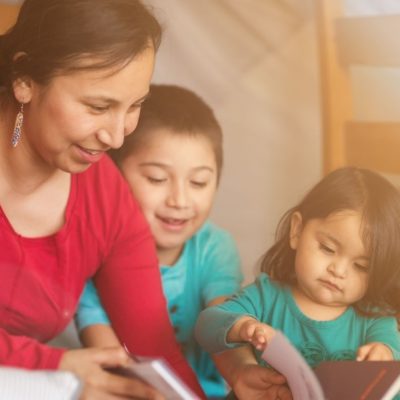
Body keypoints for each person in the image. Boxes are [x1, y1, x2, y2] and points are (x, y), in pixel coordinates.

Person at [0, 0, 205, 398]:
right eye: (98, 106)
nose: (116, 137)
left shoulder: (105, 195)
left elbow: (154, 348)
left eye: (135, 106)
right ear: (25, 78)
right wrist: (55, 371)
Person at [75, 84, 244, 398]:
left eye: (198, 182)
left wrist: (245, 368)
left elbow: (225, 324)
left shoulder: (215, 248)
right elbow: (106, 352)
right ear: (112, 174)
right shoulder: (92, 251)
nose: (179, 200)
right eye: (157, 178)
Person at [195, 167, 400, 399]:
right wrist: (242, 327)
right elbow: (206, 324)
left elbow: (392, 353)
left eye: (361, 266)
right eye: (328, 249)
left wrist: (383, 355)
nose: (338, 270)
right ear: (297, 230)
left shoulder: (375, 321)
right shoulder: (266, 296)